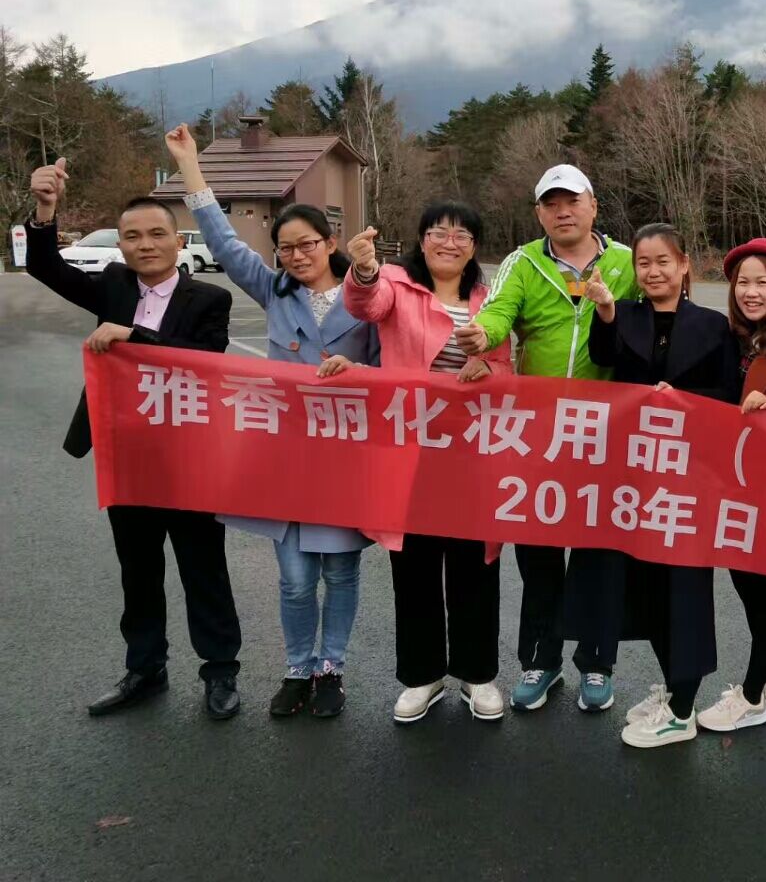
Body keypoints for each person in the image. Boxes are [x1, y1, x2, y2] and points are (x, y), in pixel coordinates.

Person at [164, 123, 380, 718]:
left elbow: (393, 369)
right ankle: (297, 668)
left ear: (329, 242)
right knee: (294, 579)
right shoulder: (274, 290)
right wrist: (189, 166)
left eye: (307, 243)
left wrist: (358, 372)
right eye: (286, 247)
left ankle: (332, 669)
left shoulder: (368, 300)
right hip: (285, 459)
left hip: (346, 457)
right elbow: (225, 243)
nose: (297, 255)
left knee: (340, 574)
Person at [25, 157, 243, 720]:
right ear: (120, 245)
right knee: (138, 569)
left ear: (177, 241)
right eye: (132, 236)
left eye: (156, 234)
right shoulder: (113, 287)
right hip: (126, 455)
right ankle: (145, 669)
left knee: (203, 567)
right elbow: (46, 267)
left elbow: (204, 360)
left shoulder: (209, 299)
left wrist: (135, 335)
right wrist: (45, 211)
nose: (145, 245)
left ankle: (220, 671)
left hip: (189, 458)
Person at [456, 163, 638, 713]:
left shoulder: (626, 262)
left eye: (572, 201)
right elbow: (497, 313)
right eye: (551, 204)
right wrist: (480, 335)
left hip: (607, 434)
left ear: (593, 205)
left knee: (598, 554)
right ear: (538, 213)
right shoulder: (524, 262)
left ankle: (597, 664)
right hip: (540, 435)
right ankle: (541, 660)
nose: (562, 212)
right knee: (538, 554)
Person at [343, 205, 512, 723]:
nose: (449, 242)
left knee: (474, 566)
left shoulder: (490, 298)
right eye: (438, 232)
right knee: (414, 566)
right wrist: (364, 269)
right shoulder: (398, 284)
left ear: (475, 246)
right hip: (410, 449)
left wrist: (488, 367)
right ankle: (423, 676)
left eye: (462, 234)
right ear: (421, 241)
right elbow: (366, 304)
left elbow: (507, 365)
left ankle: (477, 673)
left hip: (472, 452)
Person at [584, 223, 741, 747]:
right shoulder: (625, 314)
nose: (652, 272)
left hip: (690, 479)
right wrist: (606, 312)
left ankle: (683, 706)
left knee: (686, 588)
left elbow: (730, 395)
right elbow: (604, 357)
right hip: (636, 478)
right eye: (643, 263)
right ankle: (673, 688)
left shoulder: (713, 326)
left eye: (662, 261)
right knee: (647, 585)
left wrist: (684, 401)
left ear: (684, 264)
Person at [694, 239, 766, 733]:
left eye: (764, 281)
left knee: (761, 592)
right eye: (744, 282)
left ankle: (754, 693)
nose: (752, 291)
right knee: (747, 587)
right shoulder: (728, 338)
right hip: (730, 482)